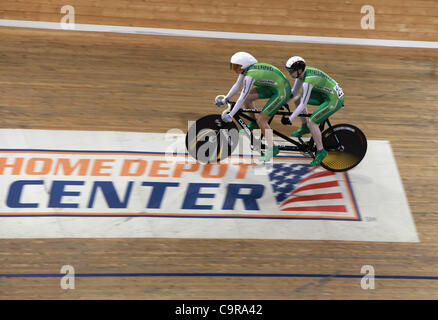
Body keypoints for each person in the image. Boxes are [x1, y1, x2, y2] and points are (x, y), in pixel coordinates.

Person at [215, 52, 291, 162]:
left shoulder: (250, 76)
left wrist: (231, 115)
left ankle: (272, 148)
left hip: (281, 91)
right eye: (233, 66)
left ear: (245, 65)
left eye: (237, 66)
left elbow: (240, 97)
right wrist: (225, 99)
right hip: (272, 86)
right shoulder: (246, 70)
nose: (234, 69)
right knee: (248, 97)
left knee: (262, 120)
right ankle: (254, 123)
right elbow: (236, 86)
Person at [285, 56, 345, 166]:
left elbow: (304, 104)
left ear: (299, 70)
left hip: (334, 99)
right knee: (297, 99)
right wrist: (284, 101)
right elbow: (294, 92)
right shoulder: (302, 74)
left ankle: (321, 151)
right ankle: (305, 127)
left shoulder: (308, 81)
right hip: (325, 93)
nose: (289, 74)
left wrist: (290, 118)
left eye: (291, 71)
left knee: (313, 122)